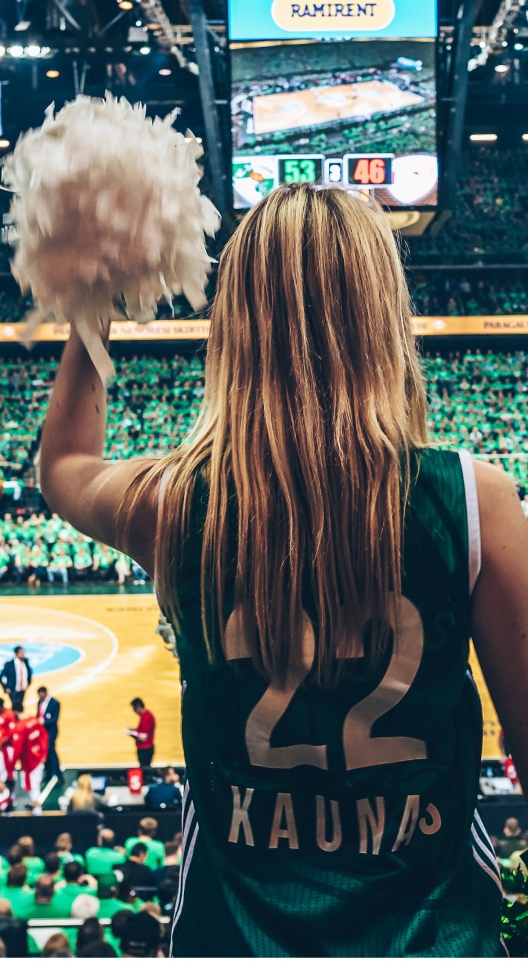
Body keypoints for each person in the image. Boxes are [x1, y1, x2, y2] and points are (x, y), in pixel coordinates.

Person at [38, 183, 528, 956]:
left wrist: (97, 299)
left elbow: (65, 463)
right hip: (437, 938)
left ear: (233, 326)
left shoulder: (173, 502)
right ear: (384, 317)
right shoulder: (475, 502)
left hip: (233, 938)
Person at [37, 687, 62, 782]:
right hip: (42, 732)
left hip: (51, 731)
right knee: (44, 753)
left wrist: (43, 722)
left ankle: (59, 776)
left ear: (45, 693)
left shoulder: (55, 703)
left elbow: (54, 718)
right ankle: (48, 773)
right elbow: (38, 714)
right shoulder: (40, 702)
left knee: (51, 752)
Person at [0, 699, 17, 782]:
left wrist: (1, 743)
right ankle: (2, 784)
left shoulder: (9, 714)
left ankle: (9, 784)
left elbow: (11, 732)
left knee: (7, 767)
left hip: (7, 746)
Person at [0, 646, 33, 712]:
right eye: (21, 653)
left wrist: (28, 683)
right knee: (15, 707)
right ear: (16, 654)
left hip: (22, 690)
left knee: (20, 706)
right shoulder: (9, 664)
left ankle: (20, 721)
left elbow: (29, 673)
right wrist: (5, 688)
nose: (23, 654)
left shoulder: (25, 662)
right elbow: (0, 677)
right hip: (13, 691)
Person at [126, 699, 155, 773]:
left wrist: (131, 735)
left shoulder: (146, 717)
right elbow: (142, 731)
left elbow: (143, 738)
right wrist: (133, 730)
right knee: (145, 768)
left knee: (145, 770)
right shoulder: (146, 716)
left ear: (138, 707)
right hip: (146, 748)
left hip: (145, 748)